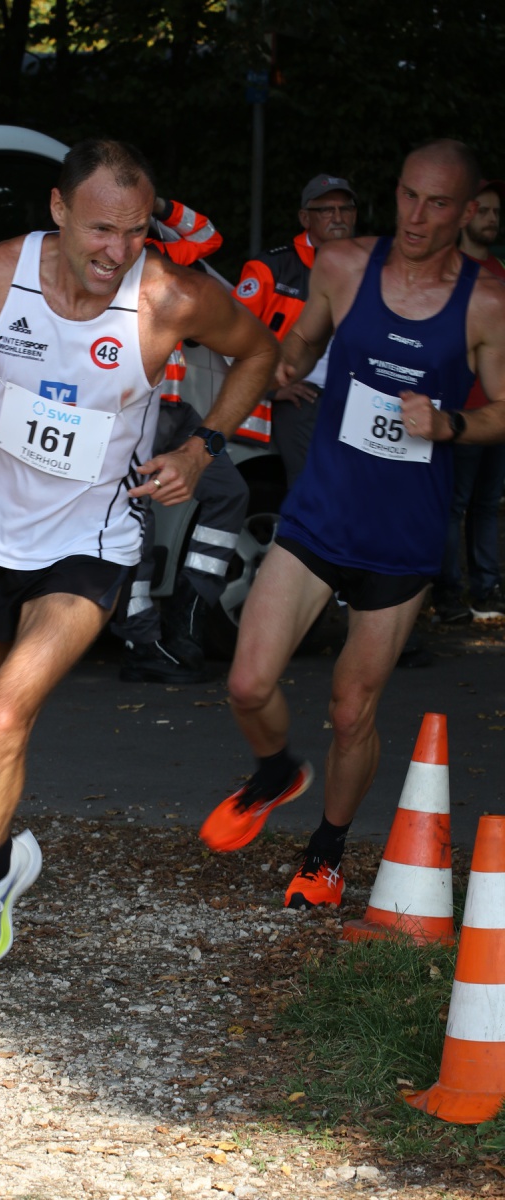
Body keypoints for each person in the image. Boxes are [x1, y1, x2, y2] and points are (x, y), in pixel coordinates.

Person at [0, 137, 278, 1026]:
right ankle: (0, 871)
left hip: (88, 543)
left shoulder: (168, 297)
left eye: (135, 232)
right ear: (58, 210)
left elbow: (258, 351)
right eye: (100, 229)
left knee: (1, 720)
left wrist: (201, 445)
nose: (117, 250)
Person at [199, 138, 505, 911]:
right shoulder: (342, 265)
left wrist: (450, 423)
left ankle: (326, 855)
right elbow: (304, 338)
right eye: (407, 195)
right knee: (247, 682)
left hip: (402, 535)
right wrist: (287, 363)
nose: (416, 216)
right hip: (321, 512)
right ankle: (277, 770)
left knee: (350, 709)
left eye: (437, 203)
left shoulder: (487, 302)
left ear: (468, 211)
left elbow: (503, 408)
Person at [113, 195, 249, 684]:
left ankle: (188, 617)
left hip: (174, 410)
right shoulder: (103, 260)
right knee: (135, 522)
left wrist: (160, 206)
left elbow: (207, 237)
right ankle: (141, 643)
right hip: (126, 410)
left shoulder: (161, 251)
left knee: (229, 492)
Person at [233, 174, 357, 488]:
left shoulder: (369, 268)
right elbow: (228, 336)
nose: (338, 217)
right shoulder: (272, 267)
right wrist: (272, 388)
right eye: (326, 210)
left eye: (345, 208)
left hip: (354, 396)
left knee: (354, 488)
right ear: (305, 218)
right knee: (310, 486)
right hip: (302, 398)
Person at [432, 178, 505, 623]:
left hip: (498, 412)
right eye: (484, 211)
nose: (492, 219)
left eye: (497, 212)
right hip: (460, 410)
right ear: (465, 215)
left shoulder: (501, 272)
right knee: (453, 505)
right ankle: (447, 595)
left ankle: (486, 591)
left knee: (486, 505)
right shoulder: (446, 270)